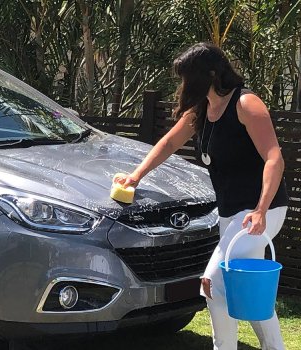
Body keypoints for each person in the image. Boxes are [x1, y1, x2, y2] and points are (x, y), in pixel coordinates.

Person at [114, 42, 288, 350]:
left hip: (262, 210)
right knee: (244, 289)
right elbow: (168, 143)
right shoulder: (202, 111)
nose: (183, 85)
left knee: (212, 284)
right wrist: (135, 176)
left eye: (187, 77)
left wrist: (260, 210)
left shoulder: (246, 104)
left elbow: (274, 158)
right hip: (230, 214)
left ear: (209, 74)